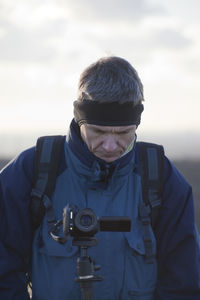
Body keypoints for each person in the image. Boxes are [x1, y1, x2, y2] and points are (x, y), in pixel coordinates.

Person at [0, 56, 199, 300]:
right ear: (79, 120)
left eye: (124, 132)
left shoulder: (161, 177)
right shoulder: (32, 171)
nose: (109, 145)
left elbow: (184, 281)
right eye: (98, 131)